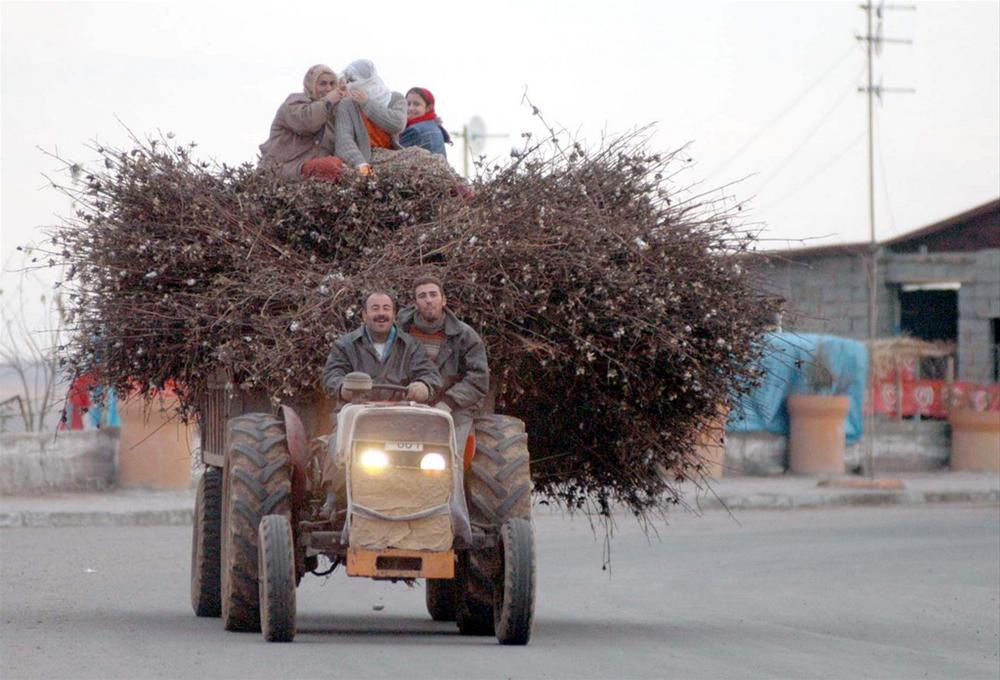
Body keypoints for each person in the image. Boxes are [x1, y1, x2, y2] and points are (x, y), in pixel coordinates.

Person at [319, 291, 442, 515]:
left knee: (432, 452)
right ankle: (332, 498)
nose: (381, 314)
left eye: (386, 309)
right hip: (356, 415)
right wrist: (343, 387)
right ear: (364, 315)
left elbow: (430, 374)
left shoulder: (410, 346)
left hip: (400, 417)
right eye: (375, 309)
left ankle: (430, 500)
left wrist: (424, 386)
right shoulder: (346, 345)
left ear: (394, 314)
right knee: (339, 443)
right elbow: (331, 375)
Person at [396, 275, 489, 458]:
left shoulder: (465, 336)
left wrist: (447, 403)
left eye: (433, 294)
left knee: (450, 456)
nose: (428, 300)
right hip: (407, 401)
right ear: (415, 303)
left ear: (444, 299)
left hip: (453, 407)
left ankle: (453, 482)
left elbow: (478, 379)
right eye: (422, 296)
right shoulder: (398, 333)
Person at [258, 64, 346, 182]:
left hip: (313, 179)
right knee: (331, 166)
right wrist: (329, 100)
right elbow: (308, 121)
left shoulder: (333, 114)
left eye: (332, 84)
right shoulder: (294, 104)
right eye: (323, 84)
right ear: (311, 85)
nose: (328, 89)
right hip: (285, 169)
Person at [333, 59, 407, 175]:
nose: (349, 85)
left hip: (393, 155)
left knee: (430, 159)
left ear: (369, 79)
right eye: (347, 81)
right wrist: (361, 165)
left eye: (353, 80)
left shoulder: (395, 98)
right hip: (366, 157)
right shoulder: (347, 105)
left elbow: (396, 124)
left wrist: (367, 103)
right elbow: (344, 140)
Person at [400, 87, 451, 157]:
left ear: (428, 108)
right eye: (408, 104)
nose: (410, 108)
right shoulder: (433, 125)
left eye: (416, 104)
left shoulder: (415, 130)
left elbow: (395, 156)